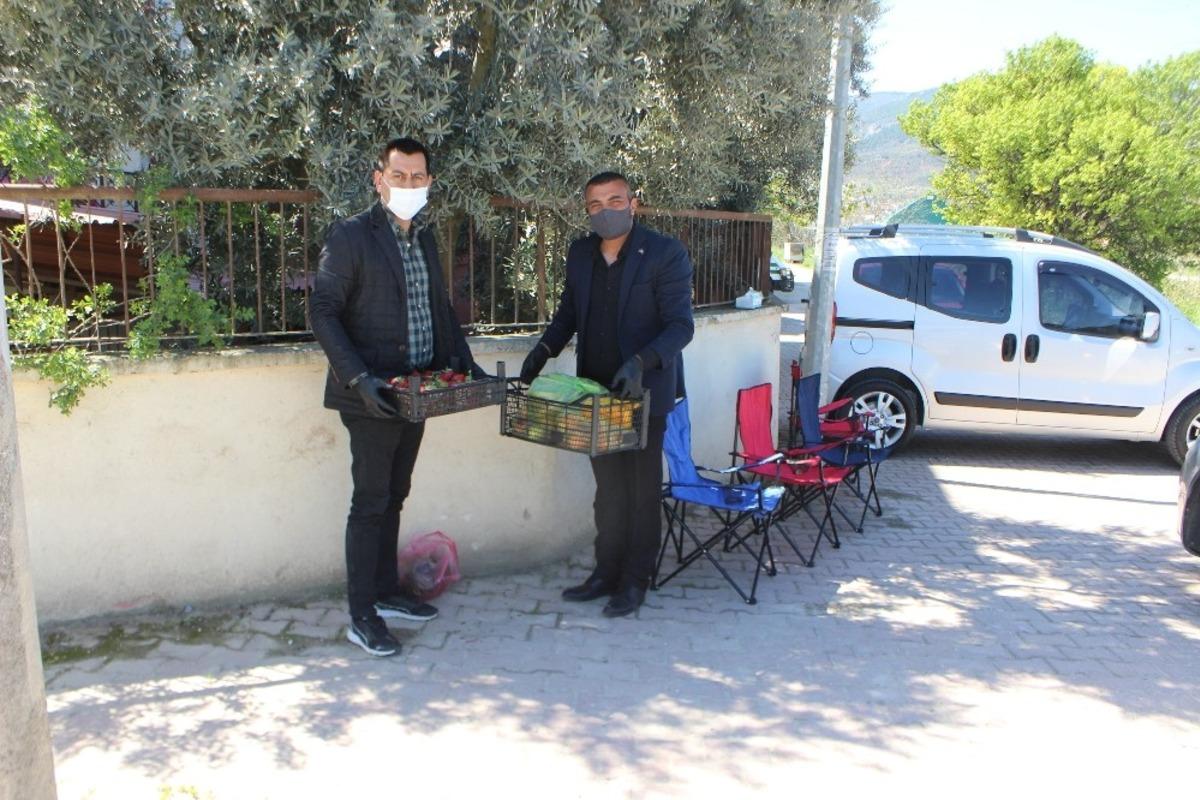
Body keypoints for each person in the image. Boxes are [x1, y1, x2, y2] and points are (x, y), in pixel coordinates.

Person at [311, 137, 481, 656]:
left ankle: (386, 593)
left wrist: (464, 362)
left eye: (417, 177)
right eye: (399, 175)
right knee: (370, 504)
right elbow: (322, 311)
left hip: (418, 392)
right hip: (371, 394)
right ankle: (362, 617)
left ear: (429, 182)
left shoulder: (424, 238)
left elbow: (439, 309)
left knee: (395, 495)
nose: (408, 185)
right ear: (378, 178)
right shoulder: (351, 236)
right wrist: (359, 378)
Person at [520, 171, 694, 618]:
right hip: (594, 393)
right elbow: (568, 314)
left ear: (633, 203)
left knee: (640, 491)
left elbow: (681, 326)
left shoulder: (664, 253)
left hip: (644, 392)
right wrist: (543, 350)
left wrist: (640, 363)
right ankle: (605, 572)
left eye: (615, 200)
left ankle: (636, 581)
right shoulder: (581, 254)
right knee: (608, 491)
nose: (606, 211)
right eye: (595, 205)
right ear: (588, 211)